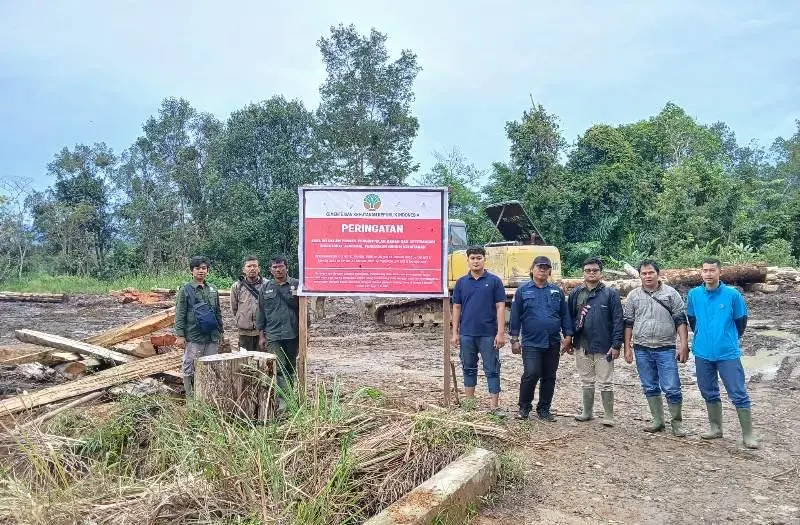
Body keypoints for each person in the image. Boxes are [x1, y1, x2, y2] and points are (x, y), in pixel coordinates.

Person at [687, 258, 759, 449]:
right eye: (705, 270)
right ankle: (716, 428)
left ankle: (748, 434)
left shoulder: (732, 295)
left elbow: (741, 321)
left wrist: (727, 337)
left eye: (712, 270)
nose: (708, 274)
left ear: (720, 272)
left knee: (738, 392)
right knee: (708, 390)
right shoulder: (694, 295)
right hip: (702, 352)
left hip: (727, 352)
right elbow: (692, 320)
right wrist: (703, 336)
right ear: (700, 273)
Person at [623, 259, 689, 437]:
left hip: (666, 348)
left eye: (650, 272)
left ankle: (677, 423)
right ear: (639, 276)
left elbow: (680, 320)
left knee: (672, 387)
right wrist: (627, 347)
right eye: (643, 273)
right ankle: (658, 421)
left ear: (658, 274)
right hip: (642, 348)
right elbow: (628, 323)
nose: (647, 276)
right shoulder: (633, 296)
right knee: (650, 386)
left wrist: (684, 345)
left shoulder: (671, 294)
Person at [509, 255, 573, 421]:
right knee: (531, 373)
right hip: (531, 341)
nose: (543, 270)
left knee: (549, 376)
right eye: (539, 267)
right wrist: (514, 339)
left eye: (546, 267)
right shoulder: (523, 291)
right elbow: (515, 316)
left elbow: (564, 315)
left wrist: (568, 336)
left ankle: (544, 409)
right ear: (532, 269)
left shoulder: (556, 291)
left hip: (552, 341)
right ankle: (524, 407)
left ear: (549, 271)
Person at [567, 257, 623, 427]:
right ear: (583, 272)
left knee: (606, 381)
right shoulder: (576, 293)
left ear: (601, 273)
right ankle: (587, 412)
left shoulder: (610, 294)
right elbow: (569, 318)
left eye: (595, 271)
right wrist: (568, 339)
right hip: (582, 344)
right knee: (586, 380)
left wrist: (616, 345)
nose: (591, 273)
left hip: (604, 345)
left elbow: (618, 320)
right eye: (588, 270)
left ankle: (608, 415)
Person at [451, 246, 506, 414]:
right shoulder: (461, 282)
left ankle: (494, 407)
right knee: (468, 367)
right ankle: (469, 405)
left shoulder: (495, 281)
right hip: (467, 334)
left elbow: (500, 307)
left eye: (479, 258)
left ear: (484, 259)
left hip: (489, 334)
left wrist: (500, 333)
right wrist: (455, 333)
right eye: (473, 258)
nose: (476, 261)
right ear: (467, 260)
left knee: (492, 368)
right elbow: (457, 307)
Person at [174, 255, 224, 397]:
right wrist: (180, 335)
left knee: (211, 366)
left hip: (212, 335)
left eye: (204, 268)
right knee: (189, 366)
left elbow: (217, 311)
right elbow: (180, 313)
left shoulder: (213, 289)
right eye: (197, 268)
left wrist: (221, 331)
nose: (201, 271)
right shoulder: (186, 290)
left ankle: (208, 396)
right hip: (194, 335)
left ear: (207, 271)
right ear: (192, 271)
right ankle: (191, 398)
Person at [257, 256, 300, 396]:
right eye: (274, 267)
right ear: (270, 270)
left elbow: (304, 311)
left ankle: (289, 396)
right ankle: (285, 399)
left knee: (290, 367)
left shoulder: (297, 284)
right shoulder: (265, 287)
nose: (278, 270)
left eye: (281, 266)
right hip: (273, 334)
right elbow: (261, 312)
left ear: (286, 267)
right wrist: (261, 336)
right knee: (278, 366)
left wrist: (306, 334)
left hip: (293, 334)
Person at [230, 255, 266, 352]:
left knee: (263, 362)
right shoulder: (237, 286)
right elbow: (234, 308)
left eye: (255, 266)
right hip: (244, 332)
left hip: (263, 332)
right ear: (243, 269)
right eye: (249, 266)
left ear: (259, 268)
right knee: (245, 361)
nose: (252, 268)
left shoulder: (267, 285)